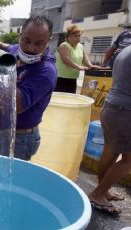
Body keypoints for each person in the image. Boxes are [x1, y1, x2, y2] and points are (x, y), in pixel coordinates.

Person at [0, 15, 57, 160]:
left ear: (48, 41)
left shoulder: (45, 71)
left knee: (7, 181)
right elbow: (8, 47)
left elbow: (15, 104)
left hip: (19, 139)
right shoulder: (17, 51)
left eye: (39, 43)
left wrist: (2, 73)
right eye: (26, 40)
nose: (31, 48)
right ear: (21, 35)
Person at [88, 45, 131, 216]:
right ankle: (98, 194)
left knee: (110, 150)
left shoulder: (126, 49)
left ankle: (103, 190)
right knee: (128, 160)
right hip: (126, 112)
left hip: (112, 107)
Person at [55, 25, 101, 93]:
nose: (78, 38)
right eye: (75, 36)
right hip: (61, 78)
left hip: (73, 78)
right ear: (69, 37)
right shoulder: (64, 46)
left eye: (79, 36)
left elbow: (84, 58)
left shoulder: (80, 46)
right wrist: (79, 67)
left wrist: (90, 66)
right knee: (59, 100)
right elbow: (66, 60)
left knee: (71, 100)